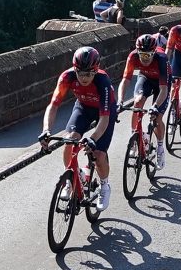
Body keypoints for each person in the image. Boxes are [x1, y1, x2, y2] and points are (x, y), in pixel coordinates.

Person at [40, 45, 118, 205]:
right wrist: (46, 130)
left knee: (98, 154)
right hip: (83, 106)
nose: (84, 78)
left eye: (88, 73)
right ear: (75, 69)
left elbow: (103, 120)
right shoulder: (67, 77)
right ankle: (70, 179)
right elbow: (53, 105)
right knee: (69, 140)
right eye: (80, 73)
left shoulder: (102, 81)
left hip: (104, 111)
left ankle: (104, 186)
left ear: (96, 70)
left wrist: (93, 138)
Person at [119, 33, 169, 153]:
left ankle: (160, 148)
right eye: (142, 54)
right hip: (145, 77)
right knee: (137, 102)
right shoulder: (133, 56)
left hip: (161, 83)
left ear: (154, 52)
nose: (145, 58)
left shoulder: (161, 58)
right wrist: (120, 101)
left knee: (157, 119)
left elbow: (163, 89)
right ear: (137, 51)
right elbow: (125, 80)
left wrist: (155, 106)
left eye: (148, 55)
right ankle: (134, 138)